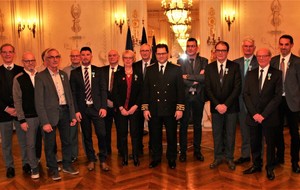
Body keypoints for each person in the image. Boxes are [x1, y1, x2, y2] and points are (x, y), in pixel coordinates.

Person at [35, 48, 79, 181]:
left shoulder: (64, 75)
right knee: (50, 144)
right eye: (51, 57)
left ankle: (67, 165)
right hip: (50, 116)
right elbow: (39, 102)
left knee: (67, 141)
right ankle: (53, 169)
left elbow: (69, 96)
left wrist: (72, 115)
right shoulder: (40, 76)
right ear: (45, 60)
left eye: (57, 57)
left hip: (65, 112)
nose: (54, 59)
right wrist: (44, 122)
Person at [142, 43, 185, 169]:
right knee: (155, 136)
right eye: (158, 53)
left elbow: (180, 91)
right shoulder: (150, 69)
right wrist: (145, 109)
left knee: (172, 135)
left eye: (163, 53)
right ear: (155, 54)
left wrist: (180, 109)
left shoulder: (176, 69)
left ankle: (171, 158)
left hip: (171, 110)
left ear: (167, 54)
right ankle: (156, 158)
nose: (161, 56)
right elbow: (146, 91)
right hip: (154, 110)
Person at [243, 48, 282, 180]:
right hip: (253, 116)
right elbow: (246, 94)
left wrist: (263, 114)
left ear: (270, 57)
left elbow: (277, 97)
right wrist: (254, 113)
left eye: (264, 56)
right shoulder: (251, 73)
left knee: (270, 144)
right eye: (259, 56)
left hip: (269, 116)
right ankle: (256, 165)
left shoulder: (277, 74)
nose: (261, 58)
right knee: (255, 142)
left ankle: (270, 168)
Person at [70, 47, 109, 172]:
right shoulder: (74, 73)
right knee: (86, 136)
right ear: (80, 57)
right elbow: (73, 94)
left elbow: (103, 90)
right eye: (83, 55)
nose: (85, 57)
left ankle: (103, 159)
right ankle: (91, 159)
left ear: (91, 56)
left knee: (102, 134)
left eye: (87, 54)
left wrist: (103, 107)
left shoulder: (99, 71)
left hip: (97, 109)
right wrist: (76, 111)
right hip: (83, 110)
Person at [205, 41, 241, 170]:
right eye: (218, 50)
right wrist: (217, 105)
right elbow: (208, 88)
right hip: (216, 108)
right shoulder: (209, 67)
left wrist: (225, 104)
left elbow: (237, 88)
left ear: (227, 52)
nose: (220, 53)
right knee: (217, 134)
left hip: (230, 108)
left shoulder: (235, 66)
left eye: (223, 50)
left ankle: (230, 158)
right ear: (215, 52)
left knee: (231, 133)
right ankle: (218, 157)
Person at [270, 34, 300, 173]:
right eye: (281, 44)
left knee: (295, 133)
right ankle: (279, 157)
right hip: (277, 101)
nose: (283, 47)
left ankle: (295, 162)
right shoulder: (274, 61)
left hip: (293, 102)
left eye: (286, 44)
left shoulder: (298, 62)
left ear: (291, 45)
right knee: (276, 131)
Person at [0, 43, 30, 178]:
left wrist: (17, 109)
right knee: (6, 143)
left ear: (14, 54)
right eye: (4, 52)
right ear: (1, 54)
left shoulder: (21, 70)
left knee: (23, 141)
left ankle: (26, 164)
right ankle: (10, 166)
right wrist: (6, 108)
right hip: (3, 113)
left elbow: (26, 92)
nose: (7, 54)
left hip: (20, 112)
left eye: (10, 52)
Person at [177, 37, 208, 162]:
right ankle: (183, 152)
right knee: (183, 125)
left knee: (197, 125)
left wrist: (188, 77)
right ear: (186, 48)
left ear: (197, 48)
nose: (190, 48)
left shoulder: (204, 61)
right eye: (188, 46)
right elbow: (180, 80)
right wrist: (195, 79)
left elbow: (204, 78)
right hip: (185, 97)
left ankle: (197, 151)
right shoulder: (180, 61)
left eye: (193, 46)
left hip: (199, 97)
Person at [112, 50, 143, 166]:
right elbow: (115, 93)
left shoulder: (138, 73)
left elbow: (142, 92)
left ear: (133, 59)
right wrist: (121, 108)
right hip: (122, 110)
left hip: (134, 109)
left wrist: (135, 106)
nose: (128, 60)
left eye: (130, 58)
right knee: (122, 134)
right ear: (123, 59)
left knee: (135, 134)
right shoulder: (118, 73)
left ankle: (135, 156)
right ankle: (124, 156)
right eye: (126, 58)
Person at [13, 52, 40, 179]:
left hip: (43, 116)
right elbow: (17, 101)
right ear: (23, 62)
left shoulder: (41, 76)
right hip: (29, 117)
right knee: (30, 144)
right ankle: (34, 168)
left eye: (32, 60)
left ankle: (45, 163)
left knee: (46, 142)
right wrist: (21, 119)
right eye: (27, 61)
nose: (30, 63)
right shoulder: (18, 78)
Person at [233, 37, 258, 165]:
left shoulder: (259, 62)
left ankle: (257, 157)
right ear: (242, 48)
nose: (248, 48)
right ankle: (245, 155)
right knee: (243, 130)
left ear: (254, 48)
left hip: (255, 104)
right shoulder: (236, 63)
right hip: (240, 103)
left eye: (250, 46)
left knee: (257, 132)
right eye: (245, 46)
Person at [133, 43, 155, 155]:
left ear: (150, 52)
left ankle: (152, 148)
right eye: (142, 51)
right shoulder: (134, 65)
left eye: (147, 50)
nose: (145, 52)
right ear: (140, 53)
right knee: (137, 127)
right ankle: (138, 149)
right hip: (137, 102)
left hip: (152, 102)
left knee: (153, 127)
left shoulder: (156, 64)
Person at [101, 49, 123, 155]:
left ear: (118, 57)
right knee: (106, 129)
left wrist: (116, 102)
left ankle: (121, 149)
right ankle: (106, 150)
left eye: (114, 55)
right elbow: (100, 88)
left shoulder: (123, 70)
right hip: (105, 105)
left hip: (119, 106)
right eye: (110, 56)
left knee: (120, 129)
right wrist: (106, 99)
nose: (112, 57)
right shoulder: (102, 70)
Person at [63, 49, 82, 162]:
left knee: (86, 133)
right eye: (72, 56)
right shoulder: (65, 71)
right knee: (72, 132)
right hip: (70, 105)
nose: (75, 58)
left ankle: (89, 154)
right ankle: (73, 154)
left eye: (77, 56)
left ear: (80, 57)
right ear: (70, 57)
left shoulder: (85, 69)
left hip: (83, 105)